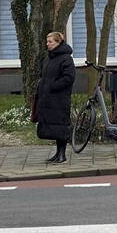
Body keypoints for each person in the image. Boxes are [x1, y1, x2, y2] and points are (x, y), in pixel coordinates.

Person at [37, 31, 75, 164]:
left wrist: (52, 86)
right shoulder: (49, 58)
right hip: (49, 98)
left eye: (50, 41)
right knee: (54, 127)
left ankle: (62, 154)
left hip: (60, 98)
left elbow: (69, 78)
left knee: (61, 126)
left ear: (58, 43)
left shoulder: (66, 59)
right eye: (47, 42)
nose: (47, 44)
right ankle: (57, 153)